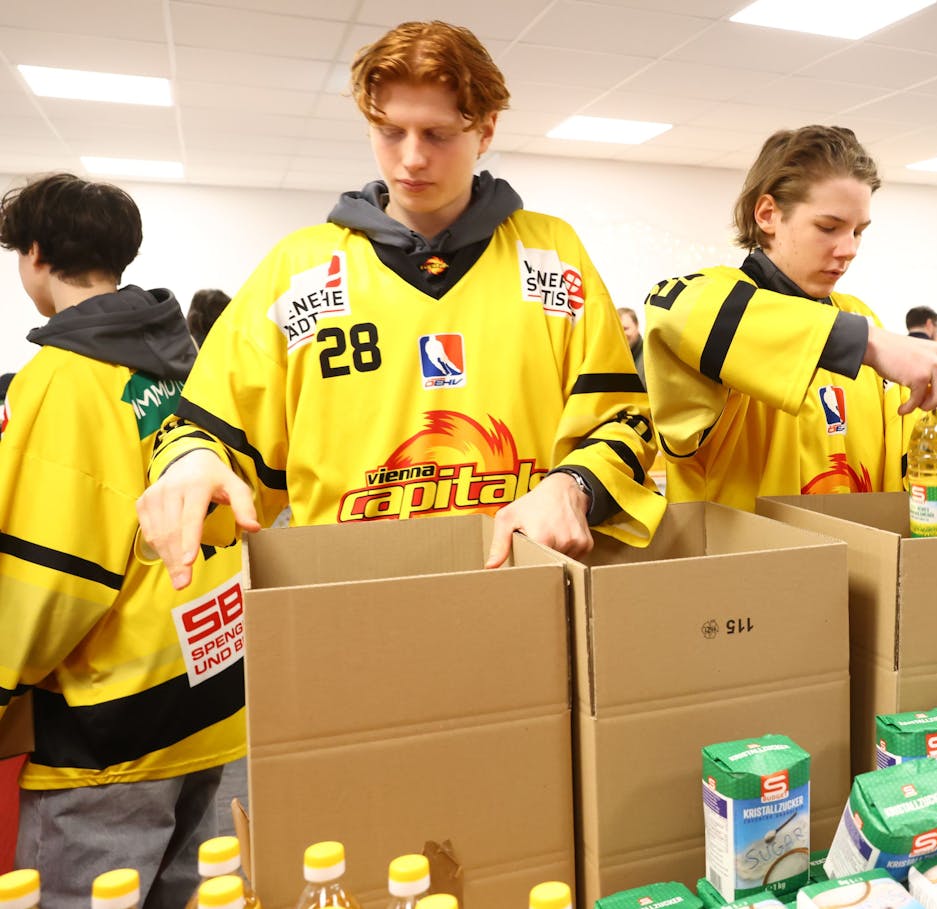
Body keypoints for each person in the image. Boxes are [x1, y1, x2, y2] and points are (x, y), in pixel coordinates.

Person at [137, 20, 664, 591]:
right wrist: (189, 462)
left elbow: (626, 421)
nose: (411, 159)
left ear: (485, 130)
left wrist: (574, 485)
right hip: (347, 593)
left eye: (436, 135)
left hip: (520, 582)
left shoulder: (552, 255)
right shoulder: (298, 272)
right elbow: (206, 430)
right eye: (390, 131)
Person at [0, 173, 244, 908]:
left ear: (35, 253)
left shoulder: (59, 381)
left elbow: (50, 572)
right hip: (215, 691)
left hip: (111, 725)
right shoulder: (190, 367)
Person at [643, 125, 937, 512]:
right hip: (748, 570)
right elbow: (671, 308)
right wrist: (867, 343)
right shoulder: (707, 306)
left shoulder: (859, 316)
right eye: (829, 227)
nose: (849, 248)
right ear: (768, 214)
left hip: (864, 567)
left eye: (858, 231)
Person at [618, 305, 645, 382]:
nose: (622, 334)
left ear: (637, 326)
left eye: (625, 328)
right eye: (618, 330)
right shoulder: (613, 357)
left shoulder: (649, 356)